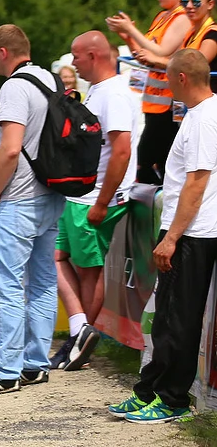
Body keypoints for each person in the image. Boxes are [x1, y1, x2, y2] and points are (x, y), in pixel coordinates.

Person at [108, 49, 217, 423]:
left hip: (194, 232)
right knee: (167, 318)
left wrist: (172, 237)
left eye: (167, 79)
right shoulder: (197, 115)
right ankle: (150, 390)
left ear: (183, 78)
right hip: (185, 228)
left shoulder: (205, 118)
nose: (163, 85)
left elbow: (197, 184)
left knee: (178, 320)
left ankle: (172, 400)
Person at [0, 25, 65, 398]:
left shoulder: (14, 87)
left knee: (7, 287)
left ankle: (4, 370)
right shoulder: (50, 80)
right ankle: (35, 364)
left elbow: (9, 149)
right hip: (51, 194)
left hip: (18, 198)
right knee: (41, 283)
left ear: (4, 51)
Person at [53, 31, 140, 371]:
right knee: (56, 257)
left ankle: (81, 343)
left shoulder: (115, 93)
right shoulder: (100, 91)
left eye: (76, 56)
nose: (72, 63)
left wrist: (103, 202)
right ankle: (80, 331)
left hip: (97, 196)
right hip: (83, 195)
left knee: (89, 272)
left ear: (94, 55)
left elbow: (121, 149)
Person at [107, 0, 199, 184]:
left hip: (171, 102)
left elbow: (161, 52)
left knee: (147, 161)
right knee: (155, 160)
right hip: (154, 102)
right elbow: (145, 55)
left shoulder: (182, 17)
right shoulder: (161, 17)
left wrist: (131, 29)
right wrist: (127, 37)